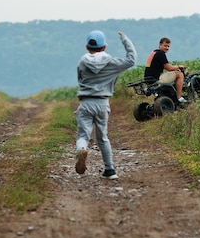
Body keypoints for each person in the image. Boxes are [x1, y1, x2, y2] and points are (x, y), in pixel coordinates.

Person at [75, 30, 137, 179]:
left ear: (87, 47)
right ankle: (110, 170)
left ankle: (82, 149)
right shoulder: (111, 63)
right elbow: (131, 60)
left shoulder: (82, 62)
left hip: (86, 102)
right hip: (103, 103)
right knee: (102, 137)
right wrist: (124, 39)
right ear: (104, 47)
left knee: (83, 135)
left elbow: (80, 79)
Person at [144, 37, 187, 103]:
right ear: (160, 45)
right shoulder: (161, 54)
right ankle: (179, 97)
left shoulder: (154, 52)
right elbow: (169, 68)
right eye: (165, 46)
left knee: (174, 73)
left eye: (168, 46)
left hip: (148, 80)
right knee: (179, 74)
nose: (167, 48)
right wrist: (179, 66)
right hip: (156, 79)